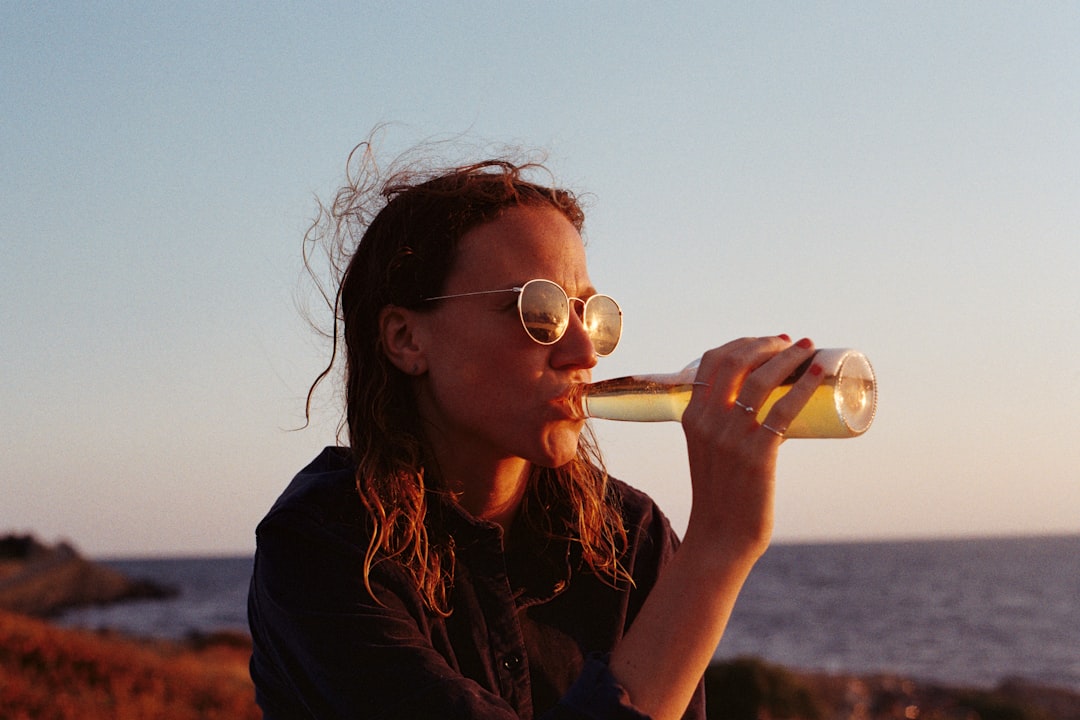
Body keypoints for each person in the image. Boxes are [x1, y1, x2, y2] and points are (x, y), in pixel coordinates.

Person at [247, 144, 825, 720]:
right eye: (539, 313)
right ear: (406, 339)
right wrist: (718, 548)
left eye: (591, 315)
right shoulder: (323, 545)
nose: (582, 351)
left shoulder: (629, 537)